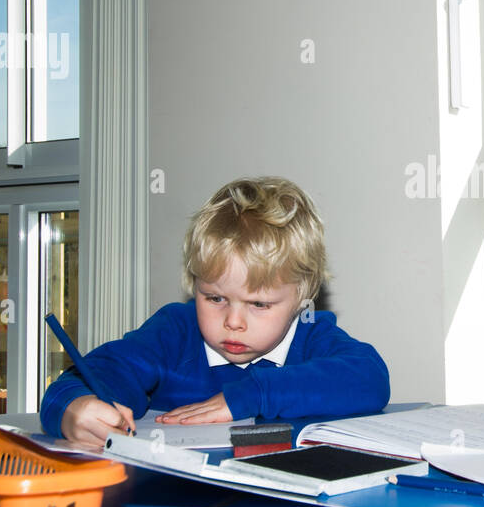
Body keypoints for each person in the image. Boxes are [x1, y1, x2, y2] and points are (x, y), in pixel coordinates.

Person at [41, 177, 390, 444]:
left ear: (303, 296)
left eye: (259, 304)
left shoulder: (312, 333)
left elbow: (370, 379)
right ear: (195, 284)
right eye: (215, 298)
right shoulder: (174, 331)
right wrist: (76, 408)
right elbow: (88, 379)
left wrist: (253, 394)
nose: (233, 322)